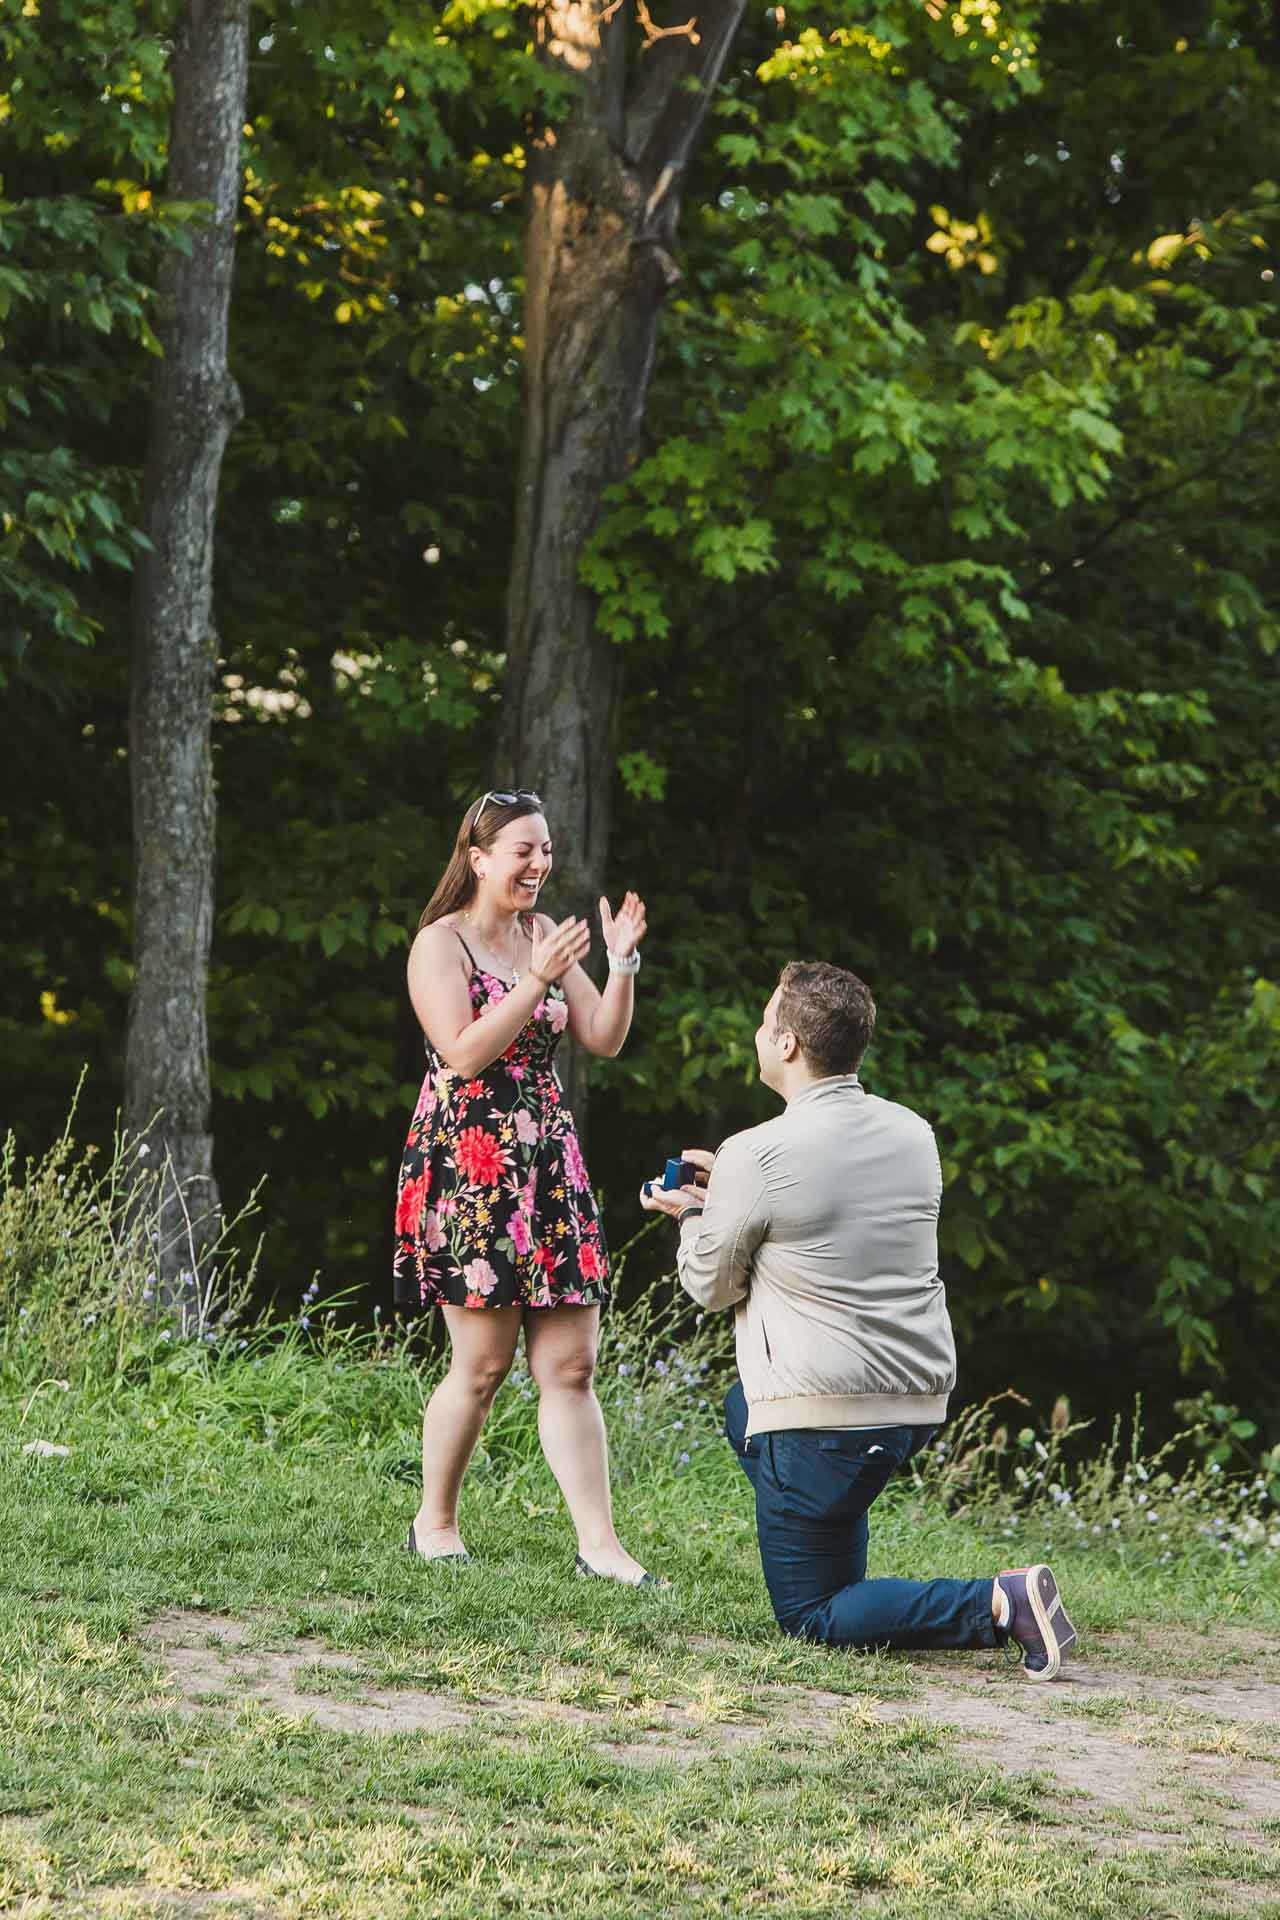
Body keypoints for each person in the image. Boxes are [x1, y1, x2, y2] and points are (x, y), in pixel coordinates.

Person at [640, 961, 1076, 1678]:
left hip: (827, 1416)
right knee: (742, 1406)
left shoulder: (756, 1152)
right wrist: (733, 1196)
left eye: (764, 1021)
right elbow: (829, 1222)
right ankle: (826, 1533)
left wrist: (694, 1214)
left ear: (786, 1046)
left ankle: (1000, 1602)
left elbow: (709, 1286)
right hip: (913, 1401)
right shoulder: (914, 1134)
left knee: (811, 1616)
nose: (757, 1033)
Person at [395, 788, 662, 1586]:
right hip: (471, 1165)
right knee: (481, 1365)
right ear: (478, 859)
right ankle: (434, 1522)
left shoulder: (543, 935)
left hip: (547, 1161)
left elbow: (603, 1038)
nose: (540, 865)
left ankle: (600, 1547)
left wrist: (619, 963)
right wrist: (533, 982)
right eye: (524, 851)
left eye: (546, 850)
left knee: (573, 1364)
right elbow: (465, 1054)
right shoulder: (439, 946)